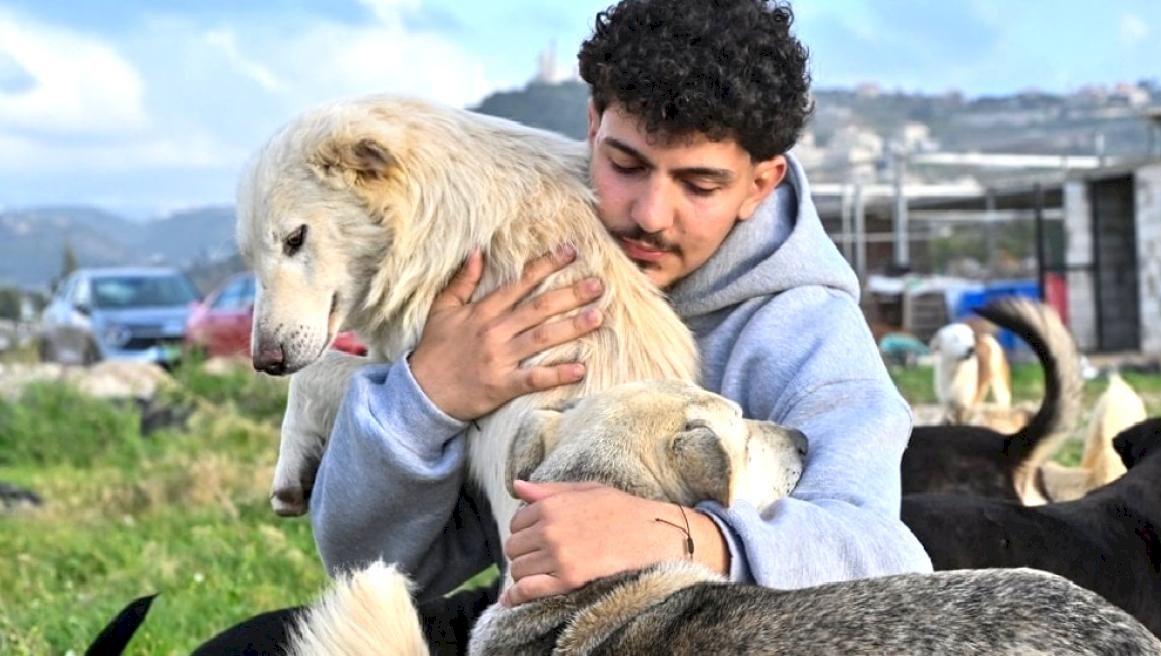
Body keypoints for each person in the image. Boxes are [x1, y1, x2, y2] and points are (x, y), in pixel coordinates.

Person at [310, 0, 931, 617]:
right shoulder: (527, 282)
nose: (649, 215)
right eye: (625, 165)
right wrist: (429, 395)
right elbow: (374, 571)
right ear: (591, 127)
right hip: (534, 642)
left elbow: (885, 560)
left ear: (760, 184)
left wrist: (675, 536)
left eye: (700, 185)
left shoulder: (808, 332)